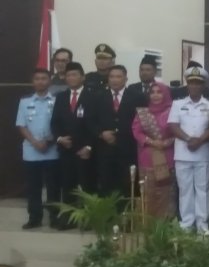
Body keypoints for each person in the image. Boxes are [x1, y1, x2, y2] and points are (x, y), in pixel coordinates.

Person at [168, 66, 209, 235]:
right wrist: (189, 139)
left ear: (203, 86)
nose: (194, 86)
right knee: (185, 190)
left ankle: (202, 225)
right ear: (187, 84)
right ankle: (187, 224)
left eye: (198, 83)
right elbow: (173, 126)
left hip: (204, 153)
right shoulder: (178, 104)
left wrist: (199, 140)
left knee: (203, 190)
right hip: (183, 153)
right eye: (191, 83)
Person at [50, 62, 96, 229]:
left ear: (82, 77)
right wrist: (59, 138)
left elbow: (96, 124)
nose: (71, 78)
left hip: (85, 150)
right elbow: (54, 122)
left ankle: (89, 219)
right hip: (66, 149)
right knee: (67, 186)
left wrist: (89, 147)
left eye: (75, 74)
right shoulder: (61, 97)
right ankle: (68, 219)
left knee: (87, 186)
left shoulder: (93, 96)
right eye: (69, 75)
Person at [88, 65, 143, 197]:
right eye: (111, 76)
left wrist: (120, 135)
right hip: (105, 150)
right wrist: (101, 133)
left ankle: (128, 210)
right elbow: (90, 120)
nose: (114, 80)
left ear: (126, 79)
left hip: (128, 150)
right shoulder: (97, 97)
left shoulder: (137, 97)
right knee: (106, 187)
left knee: (128, 187)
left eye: (118, 76)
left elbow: (142, 122)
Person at [16, 69, 60, 229]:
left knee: (53, 188)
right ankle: (34, 218)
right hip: (31, 151)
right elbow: (21, 125)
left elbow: (59, 124)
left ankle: (55, 218)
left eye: (44, 78)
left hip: (52, 151)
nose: (40, 81)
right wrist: (35, 142)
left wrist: (48, 142)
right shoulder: (25, 101)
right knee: (33, 187)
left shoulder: (57, 101)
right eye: (37, 78)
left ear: (49, 81)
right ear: (32, 82)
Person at [131, 82, 176, 218]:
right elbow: (136, 131)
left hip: (167, 156)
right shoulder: (143, 113)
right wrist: (152, 142)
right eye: (152, 92)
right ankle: (147, 224)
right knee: (147, 192)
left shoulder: (173, 112)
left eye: (159, 92)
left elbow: (178, 131)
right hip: (147, 157)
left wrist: (165, 142)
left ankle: (164, 224)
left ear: (166, 94)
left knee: (165, 193)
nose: (155, 95)